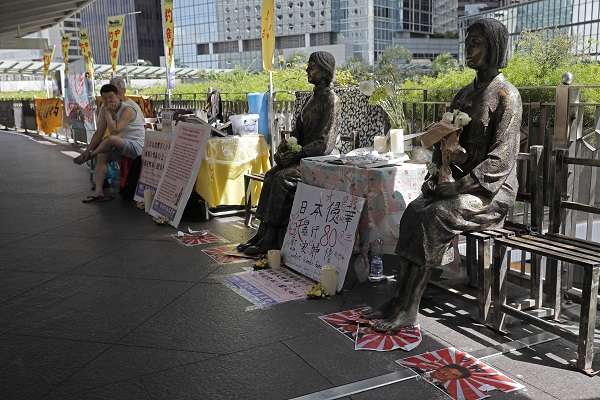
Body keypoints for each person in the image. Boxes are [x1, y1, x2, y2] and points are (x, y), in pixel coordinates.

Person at [365, 18, 522, 331]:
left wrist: (458, 187)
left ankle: (410, 306)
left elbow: (500, 160)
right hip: (457, 184)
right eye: (468, 42)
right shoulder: (464, 95)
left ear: (495, 47)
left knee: (434, 215)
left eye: (476, 43)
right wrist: (438, 174)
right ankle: (398, 297)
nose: (469, 48)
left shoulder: (507, 96)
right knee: (414, 210)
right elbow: (442, 142)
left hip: (490, 191)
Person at [237, 51, 341, 255]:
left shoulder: (331, 100)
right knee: (270, 174)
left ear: (324, 69)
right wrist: (285, 149)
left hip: (319, 162)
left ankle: (271, 238)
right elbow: (296, 134)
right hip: (303, 158)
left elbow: (324, 143)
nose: (307, 69)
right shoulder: (311, 99)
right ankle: (263, 232)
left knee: (282, 179)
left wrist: (297, 153)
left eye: (312, 65)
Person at [74, 81, 146, 203]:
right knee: (102, 154)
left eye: (111, 96)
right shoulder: (104, 107)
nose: (108, 100)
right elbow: (99, 132)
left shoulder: (128, 109)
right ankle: (98, 191)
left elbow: (115, 131)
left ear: (119, 94)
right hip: (119, 144)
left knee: (110, 140)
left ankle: (91, 155)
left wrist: (107, 114)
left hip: (135, 146)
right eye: (105, 98)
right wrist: (87, 149)